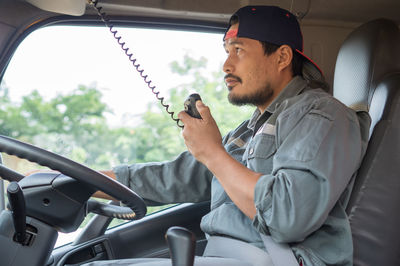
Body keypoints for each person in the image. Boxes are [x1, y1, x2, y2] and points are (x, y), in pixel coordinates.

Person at [88, 5, 370, 266]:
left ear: (282, 57)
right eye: (226, 50)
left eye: (239, 50)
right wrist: (81, 181)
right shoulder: (249, 129)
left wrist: (212, 152)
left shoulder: (323, 115)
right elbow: (177, 176)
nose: (226, 65)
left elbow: (288, 217)